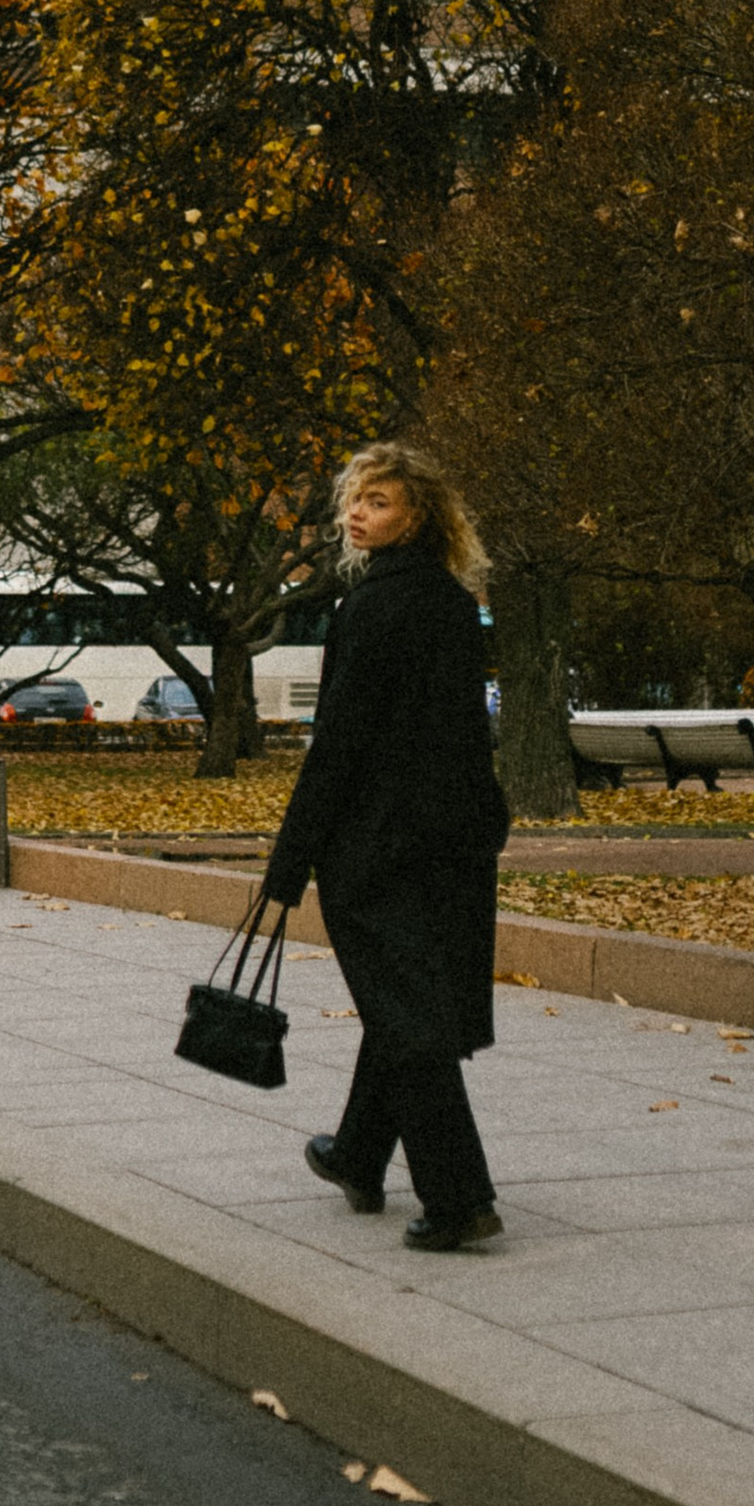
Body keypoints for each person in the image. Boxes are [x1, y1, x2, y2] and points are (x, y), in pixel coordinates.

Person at [263, 442, 510, 1250]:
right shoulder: (450, 601)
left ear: (417, 516)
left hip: (376, 845)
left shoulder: (370, 609)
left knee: (406, 1018)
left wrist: (291, 857)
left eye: (377, 501)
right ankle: (360, 1156)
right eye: (354, 499)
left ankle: (460, 1199)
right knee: (404, 999)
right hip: (448, 840)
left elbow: (339, 746)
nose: (355, 514)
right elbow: (467, 732)